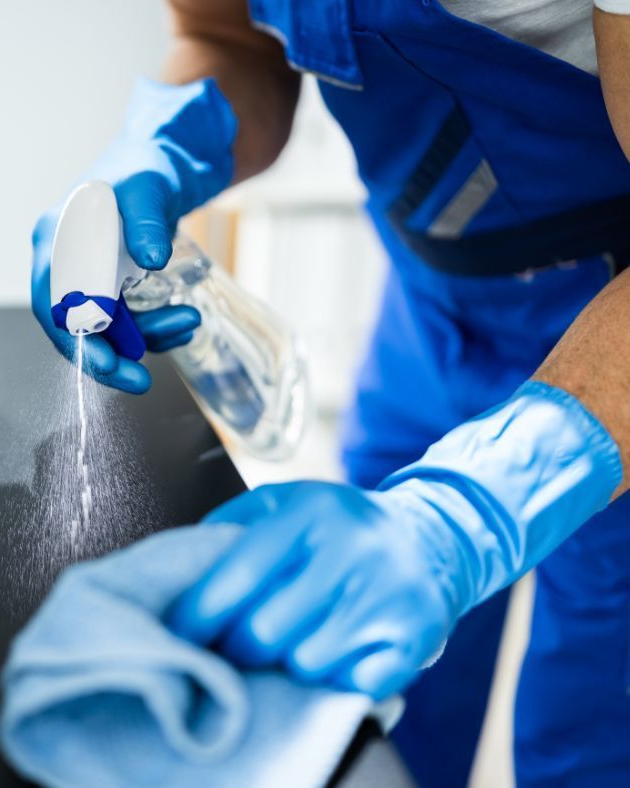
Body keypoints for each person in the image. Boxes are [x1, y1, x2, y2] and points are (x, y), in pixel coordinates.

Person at [32, 2, 630, 785]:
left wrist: (460, 517)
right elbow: (224, 36)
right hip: (429, 310)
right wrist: (164, 146)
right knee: (364, 705)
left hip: (608, 336)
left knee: (593, 731)